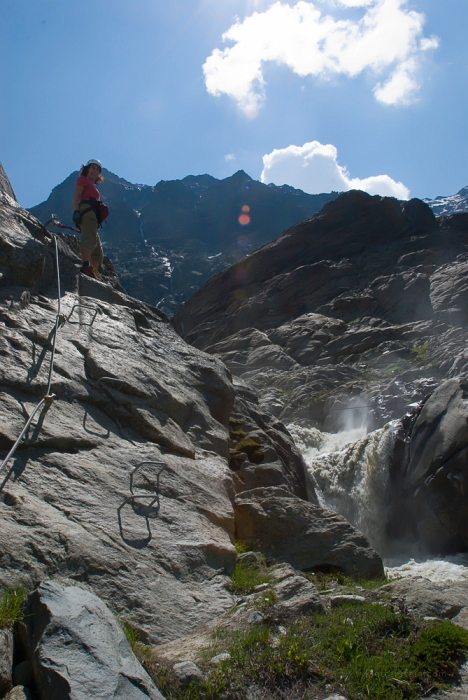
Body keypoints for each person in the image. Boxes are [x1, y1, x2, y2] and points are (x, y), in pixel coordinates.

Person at [72, 159, 105, 279]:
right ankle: (86, 265)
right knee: (89, 238)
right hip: (87, 212)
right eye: (92, 168)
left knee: (98, 251)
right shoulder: (83, 180)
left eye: (97, 170)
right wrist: (76, 211)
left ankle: (93, 272)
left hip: (94, 216)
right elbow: (76, 196)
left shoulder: (94, 189)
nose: (94, 171)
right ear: (87, 169)